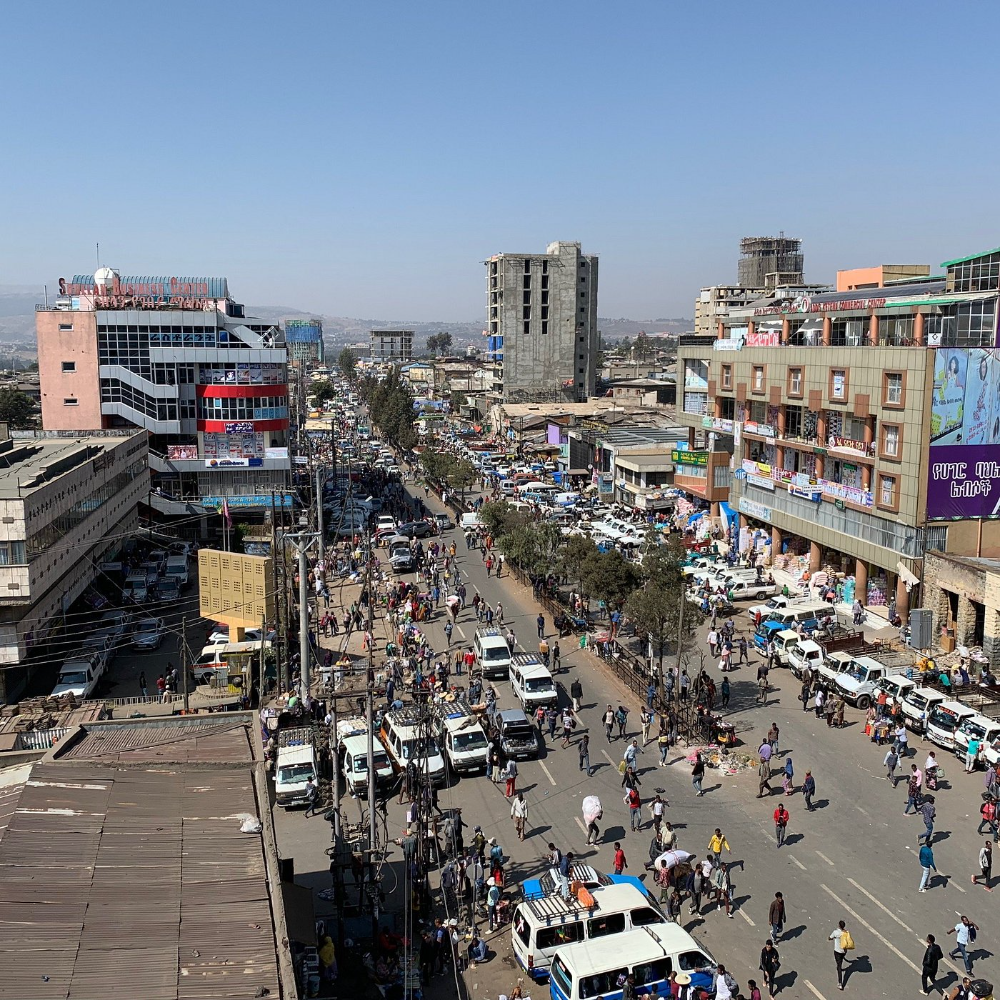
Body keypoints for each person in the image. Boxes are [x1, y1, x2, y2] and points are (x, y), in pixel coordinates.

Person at [830, 919, 852, 990]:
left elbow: (830, 937)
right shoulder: (845, 932)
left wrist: (831, 938)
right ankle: (840, 967)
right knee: (840, 961)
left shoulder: (836, 932)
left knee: (838, 966)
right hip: (844, 951)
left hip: (837, 951)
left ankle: (840, 983)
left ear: (839, 925)